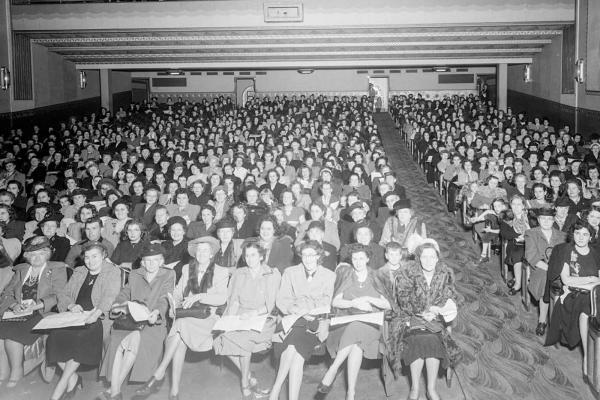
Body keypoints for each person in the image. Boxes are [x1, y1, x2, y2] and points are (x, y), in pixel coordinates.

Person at [133, 237, 228, 400]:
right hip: (186, 316)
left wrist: (199, 296)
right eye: (198, 250)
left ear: (212, 253)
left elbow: (221, 299)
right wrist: (172, 306)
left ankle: (159, 374)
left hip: (208, 318)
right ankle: (174, 392)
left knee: (179, 327)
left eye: (205, 250)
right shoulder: (186, 268)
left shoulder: (221, 271)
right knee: (180, 333)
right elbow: (177, 293)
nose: (201, 253)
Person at [99, 243, 175, 400]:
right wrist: (117, 305)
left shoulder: (169, 274)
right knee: (117, 339)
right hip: (132, 319)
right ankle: (115, 392)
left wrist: (157, 312)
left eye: (155, 260)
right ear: (142, 262)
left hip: (153, 322)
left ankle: (113, 391)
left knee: (135, 338)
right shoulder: (134, 274)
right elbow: (125, 293)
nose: (151, 264)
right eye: (147, 260)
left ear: (162, 261)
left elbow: (165, 298)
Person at [46, 241, 121, 400]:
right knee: (54, 337)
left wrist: (95, 314)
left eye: (95, 256)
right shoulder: (79, 271)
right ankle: (73, 378)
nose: (90, 261)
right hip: (75, 315)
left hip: (99, 317)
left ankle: (61, 387)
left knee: (79, 338)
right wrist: (71, 305)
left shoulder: (112, 272)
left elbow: (110, 297)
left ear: (103, 256)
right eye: (87, 257)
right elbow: (64, 294)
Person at [388, 239, 461, 400]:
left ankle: (431, 388)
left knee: (432, 338)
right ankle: (414, 388)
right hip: (410, 317)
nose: (428, 261)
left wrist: (436, 311)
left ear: (437, 258)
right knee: (418, 338)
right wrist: (422, 311)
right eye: (424, 257)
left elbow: (451, 297)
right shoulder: (407, 273)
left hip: (437, 318)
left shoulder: (444, 274)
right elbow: (403, 299)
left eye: (432, 257)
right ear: (418, 258)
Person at [318, 244, 390, 400]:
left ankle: (333, 368)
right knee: (356, 345)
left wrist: (369, 299)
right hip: (348, 319)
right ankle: (351, 393)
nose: (357, 262)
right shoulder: (347, 275)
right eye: (354, 258)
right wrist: (353, 303)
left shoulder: (376, 276)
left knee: (356, 327)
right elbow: (336, 302)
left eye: (361, 258)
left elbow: (388, 304)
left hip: (372, 322)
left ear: (368, 259)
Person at [213, 241, 281, 399]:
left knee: (244, 341)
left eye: (253, 255)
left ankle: (244, 382)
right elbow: (234, 300)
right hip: (241, 315)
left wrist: (253, 314)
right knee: (219, 337)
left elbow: (272, 305)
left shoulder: (271, 273)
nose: (249, 259)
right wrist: (231, 320)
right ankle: (249, 375)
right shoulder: (239, 273)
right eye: (246, 256)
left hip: (263, 317)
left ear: (261, 256)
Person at [269, 240, 335, 400]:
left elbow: (327, 301)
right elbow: (281, 300)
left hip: (315, 321)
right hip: (292, 319)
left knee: (292, 346)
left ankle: (274, 392)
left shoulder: (329, 275)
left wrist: (307, 309)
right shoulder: (290, 272)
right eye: (304, 255)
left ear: (319, 256)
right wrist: (295, 309)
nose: (308, 259)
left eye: (312, 255)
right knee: (295, 353)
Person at [0, 236, 67, 388]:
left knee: (11, 338)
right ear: (27, 256)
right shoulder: (21, 270)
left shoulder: (56, 269)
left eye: (41, 253)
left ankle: (17, 372)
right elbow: (7, 293)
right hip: (17, 312)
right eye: (32, 254)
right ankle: (2, 373)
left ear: (47, 254)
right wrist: (14, 305)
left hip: (41, 312)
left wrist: (35, 306)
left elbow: (59, 295)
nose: (36, 257)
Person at [545, 221, 600, 380]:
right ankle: (587, 357)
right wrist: (591, 279)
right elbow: (567, 280)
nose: (581, 237)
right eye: (577, 233)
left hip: (595, 292)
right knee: (587, 309)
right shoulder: (566, 251)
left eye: (585, 234)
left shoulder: (596, 253)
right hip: (574, 295)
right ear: (572, 235)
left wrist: (594, 283)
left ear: (591, 237)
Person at [524, 208, 566, 336]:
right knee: (546, 280)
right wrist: (551, 269)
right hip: (540, 268)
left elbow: (565, 256)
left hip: (559, 268)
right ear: (538, 220)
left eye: (549, 219)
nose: (546, 221)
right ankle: (542, 321)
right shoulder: (531, 233)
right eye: (543, 218)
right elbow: (531, 256)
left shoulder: (562, 235)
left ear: (554, 220)